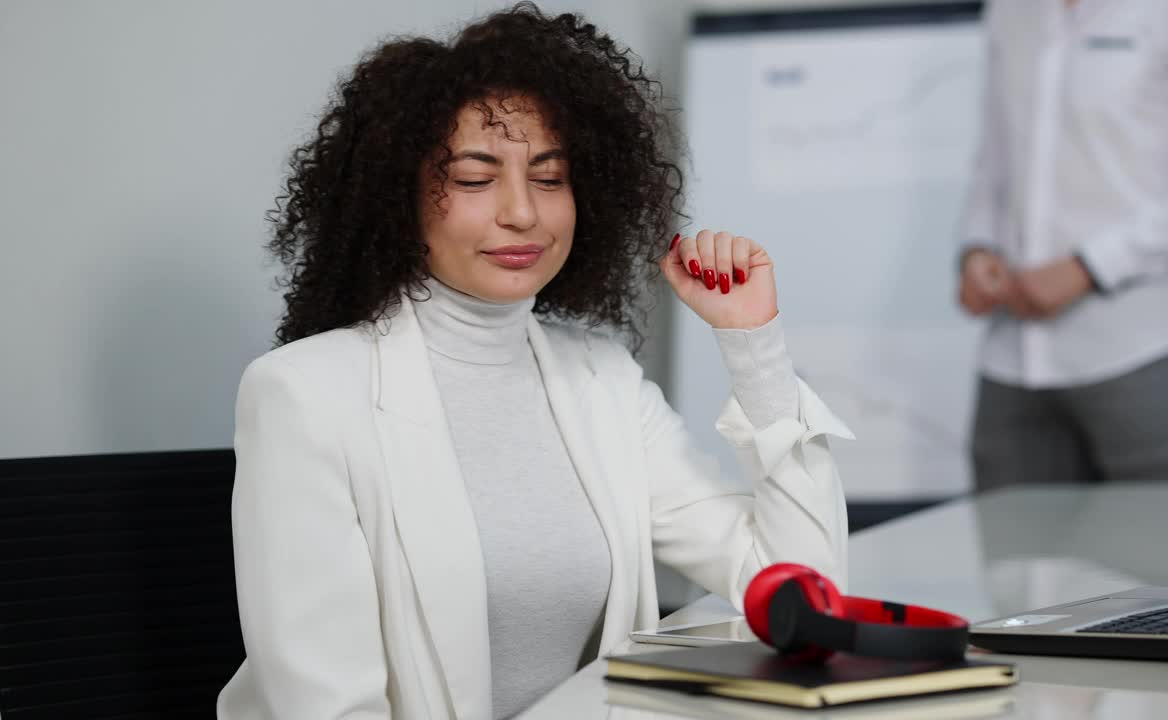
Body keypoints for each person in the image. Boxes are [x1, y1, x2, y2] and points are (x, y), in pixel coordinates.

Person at [216, 4, 853, 719]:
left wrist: (753, 346)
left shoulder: (603, 381)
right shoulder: (305, 395)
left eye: (550, 178)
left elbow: (803, 592)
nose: (522, 212)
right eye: (474, 177)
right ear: (397, 196)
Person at [958, 0, 1168, 490]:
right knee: (1008, 565)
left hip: (1142, 355)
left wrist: (1090, 266)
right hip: (1011, 360)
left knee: (1161, 564)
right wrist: (977, 248)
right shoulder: (1009, 9)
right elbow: (994, 166)